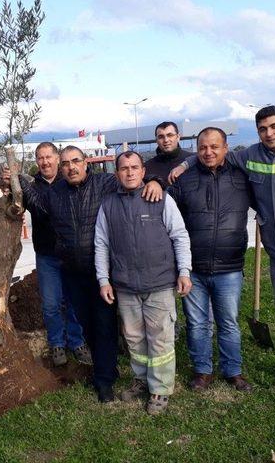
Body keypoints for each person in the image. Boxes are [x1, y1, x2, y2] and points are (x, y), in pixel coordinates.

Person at [170, 106, 275, 400]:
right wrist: (183, 166)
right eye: (262, 129)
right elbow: (211, 153)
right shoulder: (251, 155)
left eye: (274, 127)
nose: (269, 133)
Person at [15, 145, 163, 403]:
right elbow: (37, 206)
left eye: (76, 161)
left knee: (104, 325)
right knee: (87, 326)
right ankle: (106, 368)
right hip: (71, 272)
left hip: (101, 272)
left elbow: (130, 176)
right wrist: (17, 179)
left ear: (86, 164)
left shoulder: (104, 184)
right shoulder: (55, 193)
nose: (71, 167)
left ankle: (104, 380)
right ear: (61, 169)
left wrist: (155, 181)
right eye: (66, 164)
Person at [95, 151, 191, 414]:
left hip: (159, 283)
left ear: (142, 170)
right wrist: (104, 280)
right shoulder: (108, 205)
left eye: (134, 167)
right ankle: (140, 379)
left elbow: (180, 236)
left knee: (160, 338)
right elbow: (101, 244)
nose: (129, 172)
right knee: (135, 340)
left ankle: (160, 389)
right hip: (125, 287)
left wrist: (184, 271)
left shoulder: (161, 198)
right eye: (124, 168)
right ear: (117, 174)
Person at [169, 127, 253, 393]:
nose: (209, 152)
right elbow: (170, 219)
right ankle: (202, 370)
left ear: (226, 148)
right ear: (197, 150)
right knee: (197, 323)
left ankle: (233, 371)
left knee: (228, 322)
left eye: (215, 146)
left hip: (229, 268)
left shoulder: (243, 178)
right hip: (193, 268)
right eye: (203, 147)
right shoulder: (184, 181)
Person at [28, 142, 91, 366]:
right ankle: (56, 343)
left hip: (70, 254)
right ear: (37, 161)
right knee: (51, 304)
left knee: (73, 301)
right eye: (40, 158)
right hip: (47, 256)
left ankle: (77, 341)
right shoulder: (31, 186)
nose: (45, 162)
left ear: (57, 158)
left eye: (49, 157)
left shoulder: (69, 181)